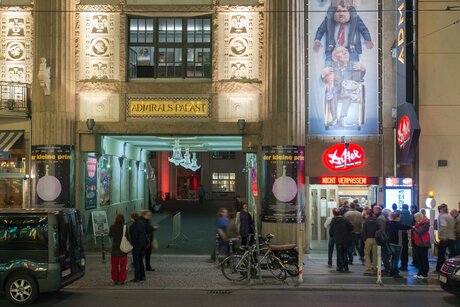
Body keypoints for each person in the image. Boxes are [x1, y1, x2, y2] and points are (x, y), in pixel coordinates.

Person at [321, 46, 366, 127]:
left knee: (349, 95)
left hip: (348, 92)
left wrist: (362, 69)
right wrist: (323, 74)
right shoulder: (332, 66)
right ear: (335, 57)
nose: (345, 53)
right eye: (341, 51)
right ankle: (334, 118)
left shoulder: (353, 65)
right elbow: (325, 80)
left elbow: (359, 79)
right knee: (332, 92)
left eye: (346, 51)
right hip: (336, 92)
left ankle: (342, 117)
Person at [387, 212, 412, 278]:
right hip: (397, 243)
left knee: (393, 258)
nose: (400, 218)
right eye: (399, 217)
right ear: (397, 217)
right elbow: (406, 227)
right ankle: (395, 273)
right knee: (396, 259)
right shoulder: (397, 224)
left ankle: (391, 271)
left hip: (391, 242)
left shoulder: (389, 223)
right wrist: (412, 227)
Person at [329, 208, 353, 272]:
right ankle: (346, 266)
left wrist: (333, 236)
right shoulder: (345, 220)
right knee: (345, 253)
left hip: (338, 240)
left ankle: (340, 267)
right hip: (345, 239)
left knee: (339, 253)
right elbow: (351, 227)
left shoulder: (333, 220)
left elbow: (331, 230)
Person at [109, 213, 129, 285]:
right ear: (123, 219)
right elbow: (128, 237)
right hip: (123, 249)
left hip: (115, 249)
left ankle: (115, 279)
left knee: (114, 265)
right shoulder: (125, 227)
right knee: (123, 265)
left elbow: (110, 235)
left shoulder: (112, 226)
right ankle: (122, 279)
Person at [436, 203, 456, 272]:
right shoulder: (450, 217)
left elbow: (443, 226)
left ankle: (439, 268)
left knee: (441, 254)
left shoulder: (442, 216)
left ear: (441, 210)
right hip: (451, 237)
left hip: (445, 238)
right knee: (452, 254)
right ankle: (451, 268)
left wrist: (442, 237)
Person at [129, 212, 147, 282]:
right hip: (142, 244)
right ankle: (143, 276)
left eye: (131, 217)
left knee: (136, 262)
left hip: (136, 246)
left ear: (133, 218)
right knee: (140, 261)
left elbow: (133, 237)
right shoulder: (141, 223)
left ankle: (137, 278)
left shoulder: (133, 226)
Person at [413, 212, 431, 279]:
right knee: (420, 259)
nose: (414, 219)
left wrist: (414, 228)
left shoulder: (425, 223)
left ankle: (424, 274)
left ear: (419, 217)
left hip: (423, 243)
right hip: (419, 243)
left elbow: (420, 232)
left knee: (423, 259)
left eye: (415, 218)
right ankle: (420, 273)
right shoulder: (419, 223)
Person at [362, 208, 379, 273]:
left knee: (367, 253)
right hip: (375, 239)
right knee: (375, 254)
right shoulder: (376, 221)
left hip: (368, 239)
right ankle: (375, 266)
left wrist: (364, 239)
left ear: (367, 215)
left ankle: (369, 267)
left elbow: (364, 231)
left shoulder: (366, 222)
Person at [376, 207, 391, 274]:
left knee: (384, 253)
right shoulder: (383, 219)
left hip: (383, 238)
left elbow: (382, 230)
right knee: (385, 253)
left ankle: (386, 267)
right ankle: (387, 266)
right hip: (384, 238)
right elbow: (383, 230)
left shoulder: (381, 218)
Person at [399, 204, 414, 271]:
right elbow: (411, 224)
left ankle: (402, 264)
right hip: (408, 233)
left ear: (402, 207)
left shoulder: (400, 214)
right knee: (405, 249)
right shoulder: (410, 215)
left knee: (401, 249)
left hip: (401, 233)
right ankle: (405, 264)